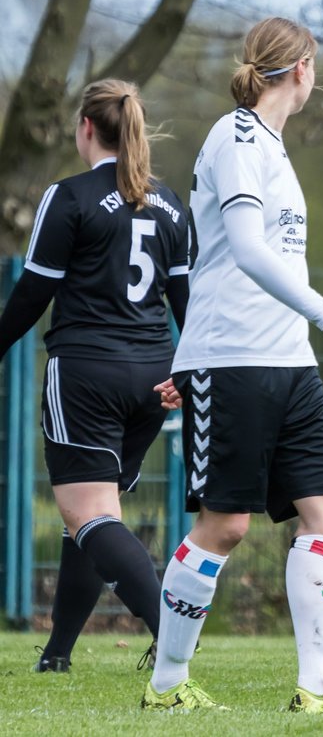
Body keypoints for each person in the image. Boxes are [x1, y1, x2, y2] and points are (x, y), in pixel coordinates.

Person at [142, 17, 323, 714]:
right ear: (303, 68)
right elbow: (245, 252)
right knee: (226, 526)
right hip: (238, 357)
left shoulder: (273, 148)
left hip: (288, 362)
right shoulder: (237, 137)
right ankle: (166, 688)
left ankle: (318, 689)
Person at [0, 79, 189, 673]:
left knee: (90, 516)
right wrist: (193, 372)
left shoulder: (69, 196)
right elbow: (191, 302)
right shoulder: (169, 203)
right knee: (91, 516)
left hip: (86, 374)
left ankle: (174, 633)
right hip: (155, 380)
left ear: (86, 127)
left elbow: (34, 291)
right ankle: (57, 655)